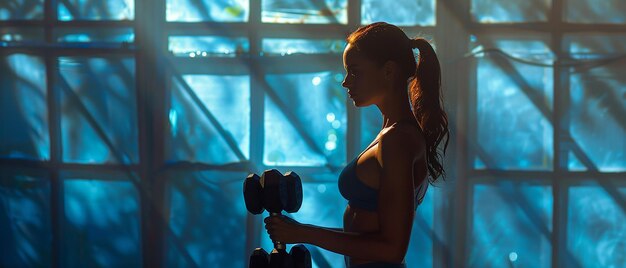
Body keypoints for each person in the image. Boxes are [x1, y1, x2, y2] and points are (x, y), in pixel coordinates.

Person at [264, 21, 450, 268]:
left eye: (355, 71)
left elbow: (392, 248)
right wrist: (299, 230)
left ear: (388, 71)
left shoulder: (397, 140)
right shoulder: (391, 134)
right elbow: (367, 233)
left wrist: (305, 234)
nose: (345, 82)